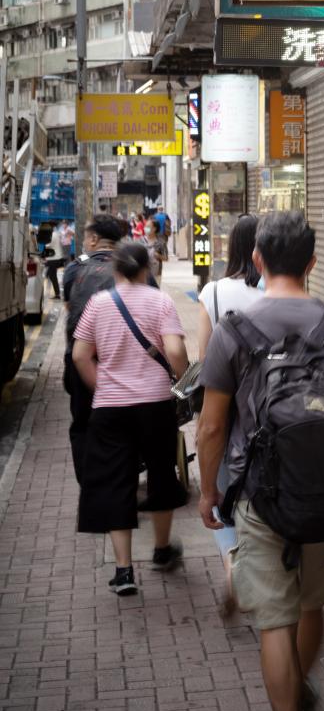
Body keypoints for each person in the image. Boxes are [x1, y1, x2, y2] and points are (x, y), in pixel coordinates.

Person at [197, 211, 324, 711]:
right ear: (312, 262)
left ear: (257, 259)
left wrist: (209, 491)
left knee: (275, 621)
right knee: (312, 604)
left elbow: (211, 426)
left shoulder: (232, 331)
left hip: (260, 495)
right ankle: (300, 686)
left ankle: (287, 703)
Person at [72, 241, 189, 597]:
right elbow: (174, 350)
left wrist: (102, 388)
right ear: (146, 269)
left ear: (116, 269)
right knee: (161, 474)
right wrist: (181, 378)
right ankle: (162, 549)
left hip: (111, 408)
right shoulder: (161, 301)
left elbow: (80, 355)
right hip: (155, 404)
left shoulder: (98, 303)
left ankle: (123, 571)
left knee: (115, 481)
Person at [197, 214, 262, 615]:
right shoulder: (277, 290)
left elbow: (205, 359)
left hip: (227, 407)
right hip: (270, 410)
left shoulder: (214, 293)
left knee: (222, 495)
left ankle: (232, 566)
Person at [63, 214, 126, 483]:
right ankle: (121, 481)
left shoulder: (74, 269)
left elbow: (70, 307)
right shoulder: (132, 267)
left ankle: (89, 484)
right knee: (123, 423)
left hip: (79, 359)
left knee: (82, 424)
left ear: (93, 239)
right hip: (122, 359)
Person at [44, 221, 65, 299]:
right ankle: (56, 293)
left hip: (54, 258)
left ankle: (57, 294)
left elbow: (48, 245)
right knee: (51, 275)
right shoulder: (56, 234)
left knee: (52, 275)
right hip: (56, 258)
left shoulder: (52, 235)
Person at [144, 217, 167, 282]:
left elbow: (166, 258)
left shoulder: (161, 242)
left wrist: (158, 255)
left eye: (148, 227)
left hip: (156, 273)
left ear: (154, 229)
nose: (146, 228)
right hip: (142, 274)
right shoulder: (140, 241)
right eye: (145, 226)